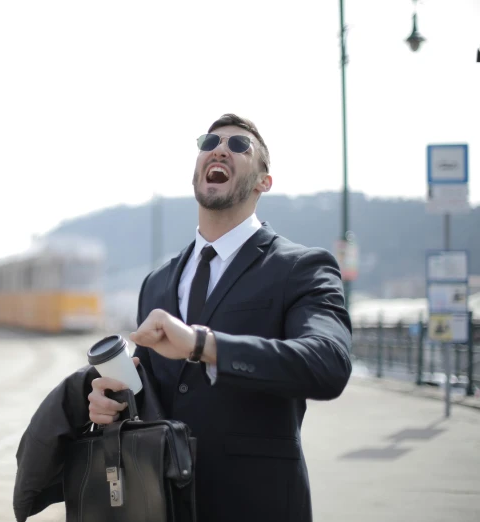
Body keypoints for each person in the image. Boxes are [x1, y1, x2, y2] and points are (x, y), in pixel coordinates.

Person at [87, 114, 352, 522]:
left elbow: (328, 364)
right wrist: (112, 404)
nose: (220, 148)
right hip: (161, 504)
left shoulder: (302, 268)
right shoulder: (156, 283)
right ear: (196, 173)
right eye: (210, 141)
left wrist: (204, 345)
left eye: (240, 146)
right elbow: (149, 399)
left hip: (257, 505)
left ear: (264, 182)